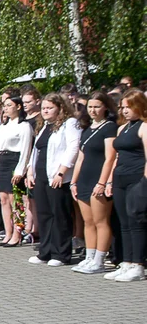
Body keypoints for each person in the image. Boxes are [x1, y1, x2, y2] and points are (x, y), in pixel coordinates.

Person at [26, 93, 81, 266]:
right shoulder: (44, 126)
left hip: (57, 175)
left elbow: (73, 148)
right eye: (43, 108)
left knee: (60, 215)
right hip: (41, 174)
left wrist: (62, 171)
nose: (46, 111)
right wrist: (30, 170)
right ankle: (46, 251)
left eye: (50, 108)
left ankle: (61, 254)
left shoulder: (69, 124)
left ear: (60, 108)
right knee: (44, 214)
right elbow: (36, 150)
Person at [70, 92, 118, 273]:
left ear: (105, 107)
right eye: (90, 106)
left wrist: (102, 182)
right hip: (84, 179)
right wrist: (74, 182)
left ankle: (99, 259)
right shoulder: (87, 129)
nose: (93, 110)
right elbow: (81, 158)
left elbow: (110, 158)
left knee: (101, 221)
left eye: (97, 106)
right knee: (88, 221)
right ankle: (89, 257)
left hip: (99, 179)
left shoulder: (109, 128)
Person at [106, 89, 147, 282]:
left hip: (136, 179)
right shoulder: (123, 128)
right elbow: (117, 156)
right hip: (120, 178)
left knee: (135, 222)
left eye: (129, 107)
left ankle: (138, 264)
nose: (125, 111)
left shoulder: (144, 127)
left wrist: (143, 184)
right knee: (123, 222)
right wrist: (109, 181)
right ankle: (127, 261)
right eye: (122, 108)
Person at [0, 96, 34, 247]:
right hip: (3, 161)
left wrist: (20, 171)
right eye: (5, 105)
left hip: (15, 161)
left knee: (14, 200)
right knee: (3, 199)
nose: (6, 108)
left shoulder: (24, 126)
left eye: (9, 105)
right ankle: (8, 232)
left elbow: (25, 150)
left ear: (18, 107)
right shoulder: (3, 126)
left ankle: (17, 233)